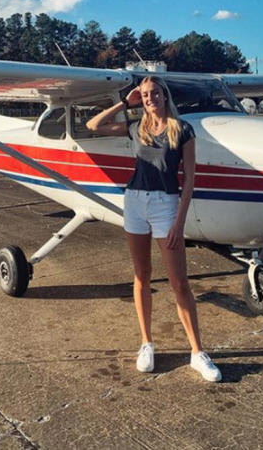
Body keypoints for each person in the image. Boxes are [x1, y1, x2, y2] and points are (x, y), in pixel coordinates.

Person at [86, 76, 221, 383]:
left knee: (179, 283)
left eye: (155, 93)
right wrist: (124, 102)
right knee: (141, 275)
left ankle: (198, 352)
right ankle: (146, 343)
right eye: (145, 95)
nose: (150, 98)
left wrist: (179, 221)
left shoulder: (182, 129)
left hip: (166, 205)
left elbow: (189, 180)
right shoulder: (137, 128)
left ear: (164, 95)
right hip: (134, 202)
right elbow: (93, 126)